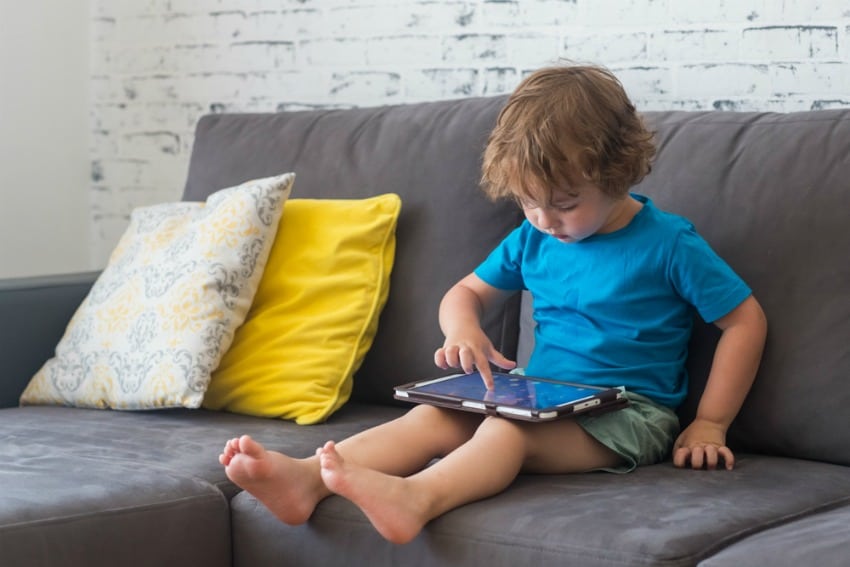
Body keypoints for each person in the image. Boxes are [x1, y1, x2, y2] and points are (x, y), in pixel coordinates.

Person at [218, 63, 768, 545]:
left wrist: (711, 423)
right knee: (436, 415)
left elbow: (744, 319)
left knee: (502, 433)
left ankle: (417, 500)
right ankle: (309, 480)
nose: (545, 220)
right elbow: (465, 293)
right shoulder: (534, 239)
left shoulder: (669, 243)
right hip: (542, 395)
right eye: (529, 203)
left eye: (565, 204)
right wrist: (463, 331)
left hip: (630, 412)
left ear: (617, 172)